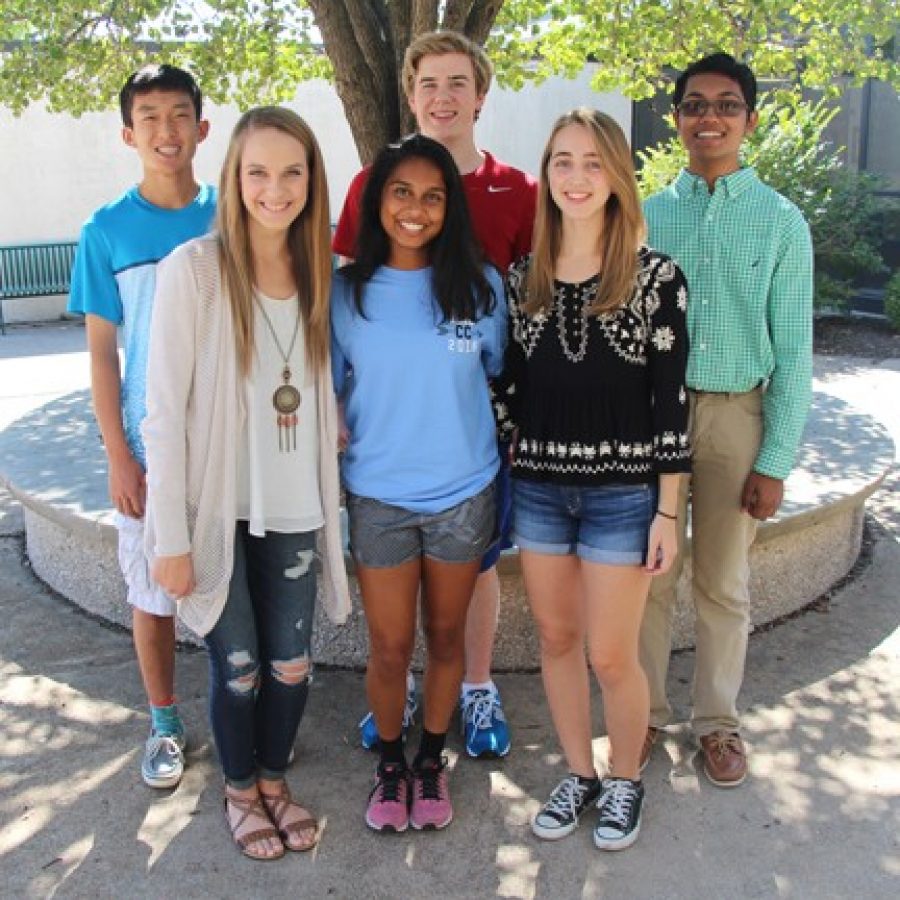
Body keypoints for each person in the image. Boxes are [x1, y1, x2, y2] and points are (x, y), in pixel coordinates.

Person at [142, 107, 351, 861]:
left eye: (292, 171)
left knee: (292, 664)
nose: (275, 188)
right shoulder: (194, 272)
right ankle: (238, 791)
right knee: (238, 669)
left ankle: (274, 779)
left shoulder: (326, 274)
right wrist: (167, 538)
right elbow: (161, 416)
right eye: (257, 171)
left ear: (311, 180)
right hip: (212, 512)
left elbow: (335, 382)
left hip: (294, 503)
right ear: (234, 177)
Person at [333, 29, 536, 759]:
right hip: (387, 459)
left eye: (458, 83)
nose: (443, 97)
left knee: (475, 574)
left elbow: (523, 321)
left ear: (480, 95)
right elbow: (344, 321)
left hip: (472, 441)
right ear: (411, 96)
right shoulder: (368, 187)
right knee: (395, 626)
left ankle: (474, 686)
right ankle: (405, 692)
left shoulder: (520, 191)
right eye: (429, 84)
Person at [494, 108, 690, 850]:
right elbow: (508, 390)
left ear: (617, 176)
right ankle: (577, 772)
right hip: (541, 491)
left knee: (612, 653)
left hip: (622, 497)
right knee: (555, 638)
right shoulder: (523, 280)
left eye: (593, 162)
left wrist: (667, 511)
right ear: (546, 175)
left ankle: (625, 780)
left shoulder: (654, 279)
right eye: (562, 162)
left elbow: (673, 403)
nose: (577, 178)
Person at [639, 53, 814, 787]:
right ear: (676, 117)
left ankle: (716, 723)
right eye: (695, 104)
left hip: (734, 421)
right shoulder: (647, 213)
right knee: (646, 579)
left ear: (748, 118)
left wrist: (775, 459)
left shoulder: (779, 222)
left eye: (727, 104)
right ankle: (640, 716)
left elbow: (797, 352)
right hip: (650, 419)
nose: (709, 117)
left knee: (721, 582)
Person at [331, 134, 506, 832]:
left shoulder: (480, 286)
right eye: (401, 192)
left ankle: (431, 763)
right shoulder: (346, 293)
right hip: (378, 495)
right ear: (377, 202)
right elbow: (332, 389)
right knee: (390, 647)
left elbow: (493, 371)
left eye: (433, 196)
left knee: (446, 637)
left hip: (464, 492)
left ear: (450, 207)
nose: (415, 208)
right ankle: (391, 768)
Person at [68, 64, 214, 790]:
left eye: (179, 113)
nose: (166, 129)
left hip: (224, 442)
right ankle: (163, 719)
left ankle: (239, 715)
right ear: (129, 133)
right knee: (153, 590)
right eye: (150, 116)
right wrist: (117, 455)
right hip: (148, 442)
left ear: (202, 127)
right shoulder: (106, 230)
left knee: (228, 586)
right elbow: (101, 353)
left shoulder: (234, 215)